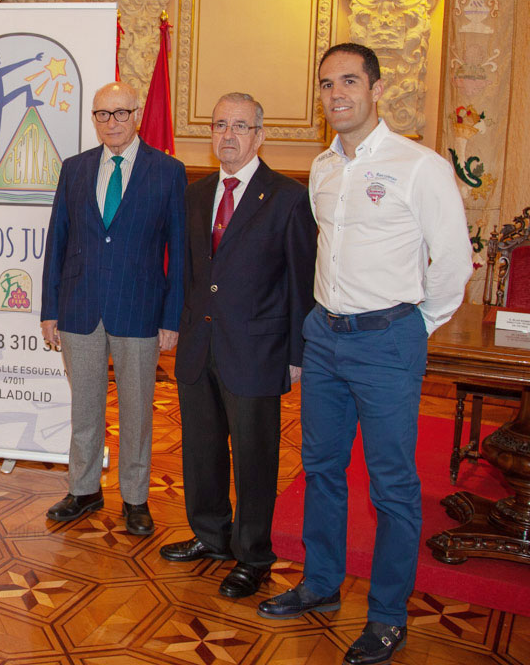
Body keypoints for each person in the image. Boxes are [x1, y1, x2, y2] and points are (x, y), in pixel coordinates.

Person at [257, 43, 472, 665]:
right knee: (321, 469)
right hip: (324, 336)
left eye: (349, 81)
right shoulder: (323, 168)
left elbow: (453, 264)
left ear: (377, 89)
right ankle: (322, 585)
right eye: (326, 84)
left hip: (388, 339)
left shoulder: (418, 165)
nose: (336, 94)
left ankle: (386, 616)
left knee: (393, 486)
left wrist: (410, 327)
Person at [164, 93, 316, 599]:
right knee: (202, 451)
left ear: (259, 135)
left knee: (254, 458)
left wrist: (297, 354)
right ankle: (211, 535)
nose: (227, 135)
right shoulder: (196, 192)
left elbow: (300, 281)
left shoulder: (288, 197)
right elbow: (188, 272)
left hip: (256, 350)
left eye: (239, 126)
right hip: (199, 345)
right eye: (219, 125)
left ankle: (253, 554)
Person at [40, 81, 186, 534]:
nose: (112, 123)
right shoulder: (75, 169)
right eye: (103, 115)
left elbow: (179, 252)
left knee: (138, 410)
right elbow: (57, 242)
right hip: (80, 306)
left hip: (140, 309)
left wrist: (171, 317)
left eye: (121, 113)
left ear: (136, 114)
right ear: (94, 119)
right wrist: (49, 309)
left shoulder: (168, 171)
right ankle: (83, 489)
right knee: (84, 406)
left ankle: (136, 498)